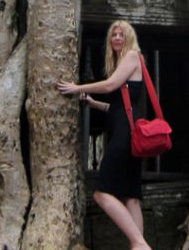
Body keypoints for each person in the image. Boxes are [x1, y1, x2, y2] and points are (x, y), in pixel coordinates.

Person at [57, 20, 152, 250]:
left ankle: (140, 244)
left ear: (129, 38)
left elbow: (110, 86)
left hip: (123, 136)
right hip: (129, 133)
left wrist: (78, 88)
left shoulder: (132, 56)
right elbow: (118, 108)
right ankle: (139, 246)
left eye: (121, 34)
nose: (117, 38)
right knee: (130, 196)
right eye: (114, 35)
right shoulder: (127, 62)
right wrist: (93, 103)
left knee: (101, 194)